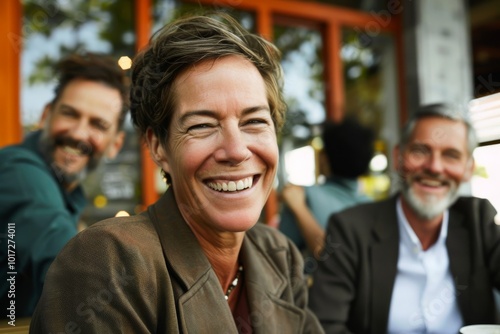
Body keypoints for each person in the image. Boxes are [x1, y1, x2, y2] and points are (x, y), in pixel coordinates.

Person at [29, 13, 323, 333]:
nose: (237, 150)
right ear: (159, 147)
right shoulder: (109, 263)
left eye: (254, 121)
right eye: (202, 125)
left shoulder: (280, 256)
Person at [308, 103, 500, 333]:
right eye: (420, 151)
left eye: (451, 155)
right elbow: (323, 325)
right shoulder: (350, 229)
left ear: (469, 168)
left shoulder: (478, 220)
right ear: (398, 156)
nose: (434, 167)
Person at [0, 52, 128, 317]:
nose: (79, 133)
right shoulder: (18, 173)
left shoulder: (71, 193)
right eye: (70, 114)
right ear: (46, 115)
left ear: (115, 144)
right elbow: (76, 277)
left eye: (98, 124)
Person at [279, 117, 375, 259]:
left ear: (325, 158)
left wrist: (299, 209)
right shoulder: (374, 209)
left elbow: (280, 256)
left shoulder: (302, 198)